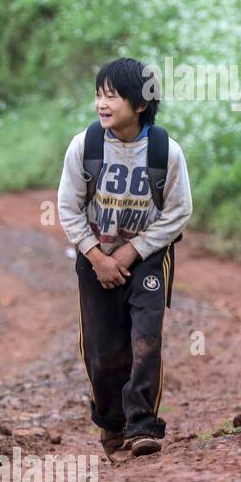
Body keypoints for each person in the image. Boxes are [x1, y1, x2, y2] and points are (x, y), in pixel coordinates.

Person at [57, 58, 193, 458]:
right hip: (93, 255)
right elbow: (68, 207)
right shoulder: (85, 146)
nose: (101, 102)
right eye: (99, 93)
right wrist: (97, 256)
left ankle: (141, 425)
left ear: (139, 104)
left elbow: (179, 210)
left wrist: (134, 250)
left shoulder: (165, 151)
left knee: (145, 338)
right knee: (102, 349)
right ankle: (111, 423)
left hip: (148, 258)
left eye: (112, 95)